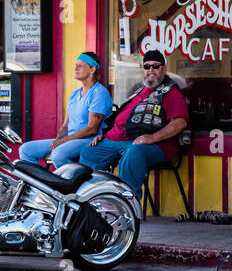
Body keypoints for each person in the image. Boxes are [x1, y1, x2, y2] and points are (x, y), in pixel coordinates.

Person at [79, 48, 189, 202]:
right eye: (147, 66)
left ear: (164, 69)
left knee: (134, 152)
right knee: (90, 151)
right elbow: (123, 120)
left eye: (156, 66)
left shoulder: (171, 93)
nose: (151, 70)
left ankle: (128, 204)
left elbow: (179, 123)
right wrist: (103, 136)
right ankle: (91, 199)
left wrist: (152, 137)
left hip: (157, 145)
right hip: (120, 141)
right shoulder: (138, 91)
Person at [18, 52, 112, 169]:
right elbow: (65, 126)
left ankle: (74, 184)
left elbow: (91, 129)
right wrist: (57, 142)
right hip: (70, 139)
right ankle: (43, 184)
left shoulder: (99, 93)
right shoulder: (75, 94)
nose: (75, 68)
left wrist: (61, 143)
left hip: (88, 140)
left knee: (58, 155)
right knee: (26, 150)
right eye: (75, 65)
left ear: (92, 70)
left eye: (80, 66)